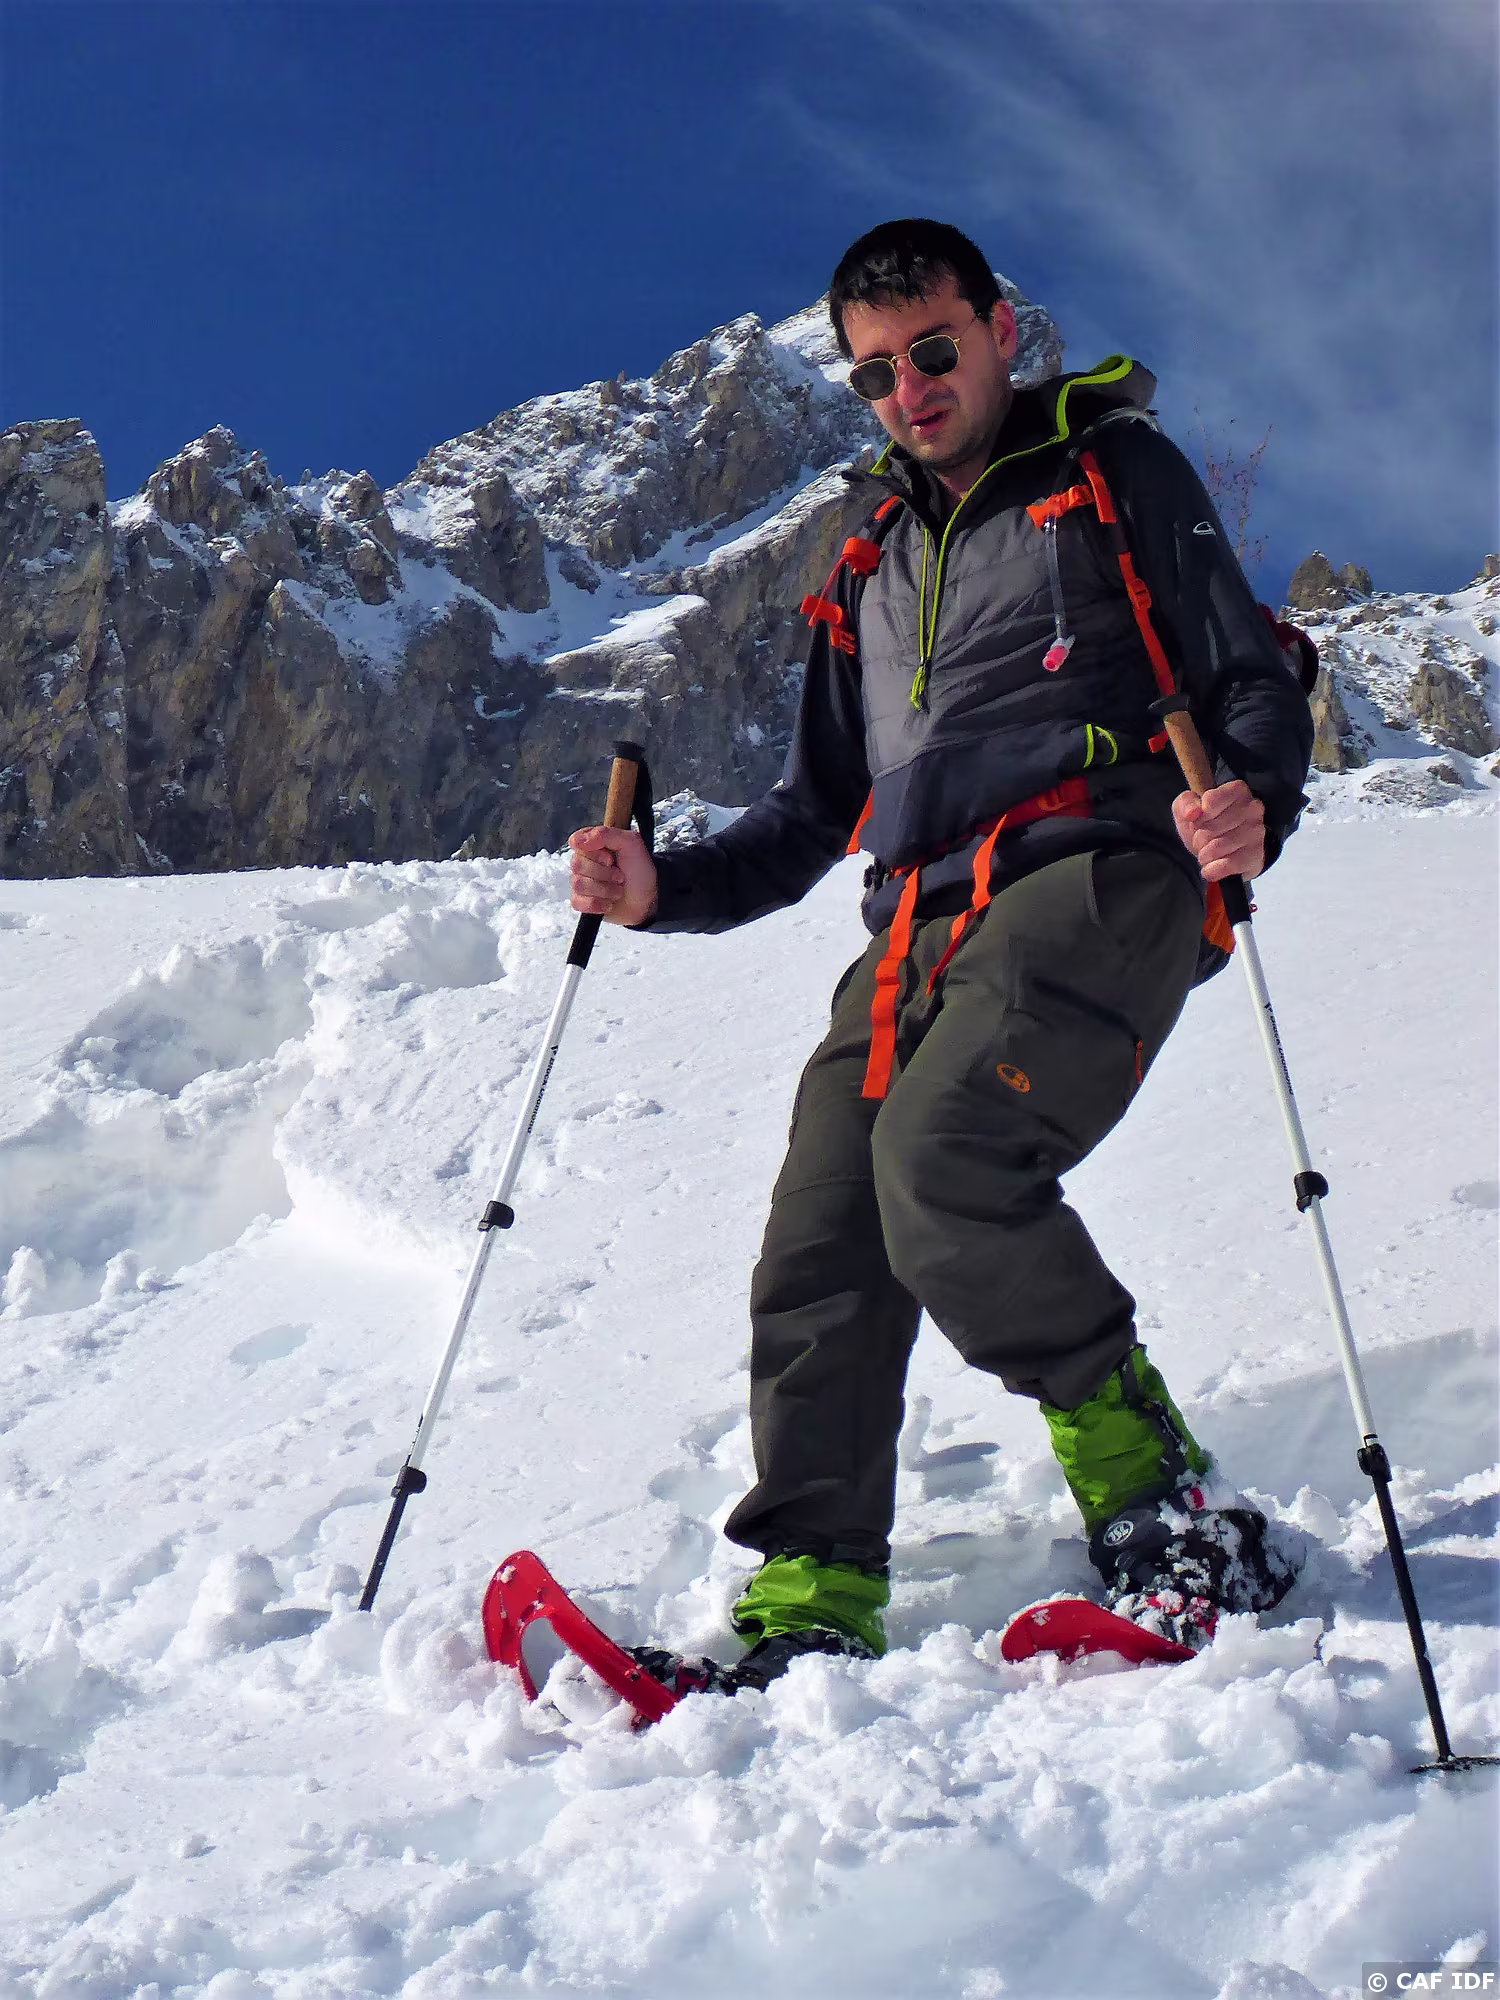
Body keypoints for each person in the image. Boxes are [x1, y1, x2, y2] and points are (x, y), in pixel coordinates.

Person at [569, 219, 1313, 1690]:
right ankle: (815, 1588)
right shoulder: (869, 561)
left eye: (931, 350)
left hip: (1099, 866)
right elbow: (808, 816)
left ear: (996, 331)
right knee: (823, 1236)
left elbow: (1247, 675)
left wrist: (1250, 803)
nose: (907, 389)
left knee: (947, 1157)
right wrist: (659, 890)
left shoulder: (1109, 474)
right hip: (916, 918)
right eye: (874, 373)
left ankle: (1171, 1512)